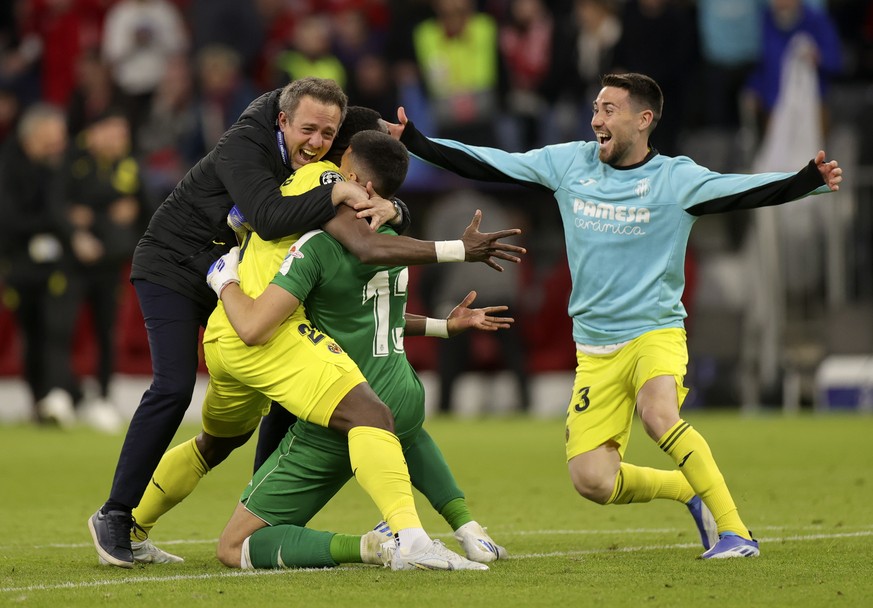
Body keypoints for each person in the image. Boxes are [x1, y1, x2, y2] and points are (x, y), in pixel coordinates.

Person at [386, 72, 843, 559]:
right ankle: (687, 490)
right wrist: (417, 142)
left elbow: (742, 190)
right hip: (595, 348)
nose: (595, 120)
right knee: (593, 480)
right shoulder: (569, 164)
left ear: (643, 120)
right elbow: (492, 163)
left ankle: (736, 533)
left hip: (654, 331)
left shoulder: (676, 179)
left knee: (659, 415)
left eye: (609, 110)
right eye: (596, 109)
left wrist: (805, 182)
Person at [131, 130, 521, 571]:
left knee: (230, 525)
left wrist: (224, 281)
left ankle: (388, 543)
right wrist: (441, 325)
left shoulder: (318, 234)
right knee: (398, 431)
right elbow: (371, 314)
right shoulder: (393, 239)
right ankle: (465, 530)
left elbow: (256, 325)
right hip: (400, 387)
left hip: (313, 383)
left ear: (352, 176)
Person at [87, 77, 412, 568]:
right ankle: (114, 514)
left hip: (234, 280)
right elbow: (267, 216)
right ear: (282, 120)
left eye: (329, 134)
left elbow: (382, 171)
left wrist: (396, 209)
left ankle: (265, 517)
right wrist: (338, 192)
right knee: (174, 388)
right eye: (308, 131)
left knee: (268, 404)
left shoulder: (329, 132)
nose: (318, 144)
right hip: (175, 266)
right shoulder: (244, 140)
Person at [55, 108, 144, 433]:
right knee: (63, 329)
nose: (121, 139)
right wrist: (107, 210)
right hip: (74, 265)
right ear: (96, 133)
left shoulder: (128, 165)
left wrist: (92, 214)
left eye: (123, 133)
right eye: (115, 132)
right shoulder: (74, 160)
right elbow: (60, 204)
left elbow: (145, 208)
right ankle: (66, 393)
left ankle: (104, 396)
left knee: (106, 333)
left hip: (111, 265)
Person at [0, 103, 81, 427]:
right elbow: (9, 221)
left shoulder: (58, 165)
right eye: (54, 136)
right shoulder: (8, 166)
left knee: (54, 330)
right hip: (18, 266)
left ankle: (58, 395)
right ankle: (40, 400)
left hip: (54, 266)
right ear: (35, 135)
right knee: (31, 332)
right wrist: (55, 221)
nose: (60, 142)